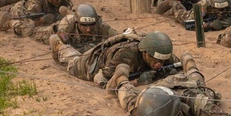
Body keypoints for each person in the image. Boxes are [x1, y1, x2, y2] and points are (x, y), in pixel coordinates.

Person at [50, 30, 178, 87]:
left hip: (106, 55)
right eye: (155, 60)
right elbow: (100, 80)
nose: (159, 63)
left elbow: (178, 65)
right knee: (72, 59)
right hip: (89, 67)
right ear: (144, 52)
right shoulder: (126, 56)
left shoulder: (160, 53)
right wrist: (137, 82)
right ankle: (58, 44)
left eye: (162, 61)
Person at [0, 0, 73, 39]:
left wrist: (56, 17)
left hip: (43, 14)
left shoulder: (62, 0)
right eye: (56, 0)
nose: (59, 1)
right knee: (7, 8)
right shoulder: (36, 3)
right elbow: (30, 23)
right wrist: (43, 19)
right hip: (20, 11)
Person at [49, 3, 118, 52]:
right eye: (84, 26)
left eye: (91, 25)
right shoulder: (66, 24)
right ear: (77, 23)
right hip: (53, 30)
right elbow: (63, 45)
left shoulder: (100, 24)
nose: (88, 29)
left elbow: (116, 36)